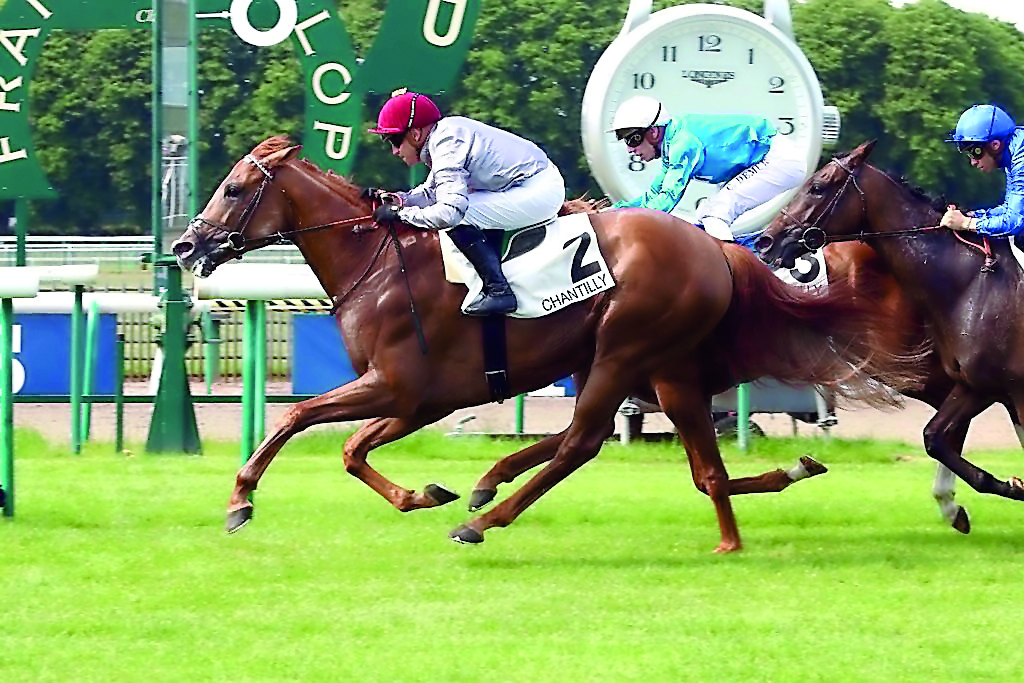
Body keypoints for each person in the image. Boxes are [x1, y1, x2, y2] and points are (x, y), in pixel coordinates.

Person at [367, 89, 566, 316]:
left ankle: (499, 291)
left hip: (539, 190)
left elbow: (449, 213)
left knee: (460, 214)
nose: (394, 151)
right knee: (457, 208)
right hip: (527, 184)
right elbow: (432, 192)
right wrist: (398, 200)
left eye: (395, 140)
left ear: (415, 134)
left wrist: (400, 214)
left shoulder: (447, 142)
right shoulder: (443, 136)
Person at [609, 95, 808, 241]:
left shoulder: (682, 144)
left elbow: (666, 203)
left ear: (653, 132)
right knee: (704, 215)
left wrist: (619, 217)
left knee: (714, 213)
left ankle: (739, 274)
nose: (630, 149)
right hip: (767, 157)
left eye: (632, 139)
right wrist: (613, 210)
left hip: (778, 160)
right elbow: (653, 196)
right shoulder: (670, 143)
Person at [941, 104, 1024, 236]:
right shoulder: (1014, 151)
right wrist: (973, 215)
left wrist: (966, 223)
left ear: (995, 145)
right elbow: (1010, 210)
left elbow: (1015, 222)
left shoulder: (1021, 158)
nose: (973, 162)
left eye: (976, 152)